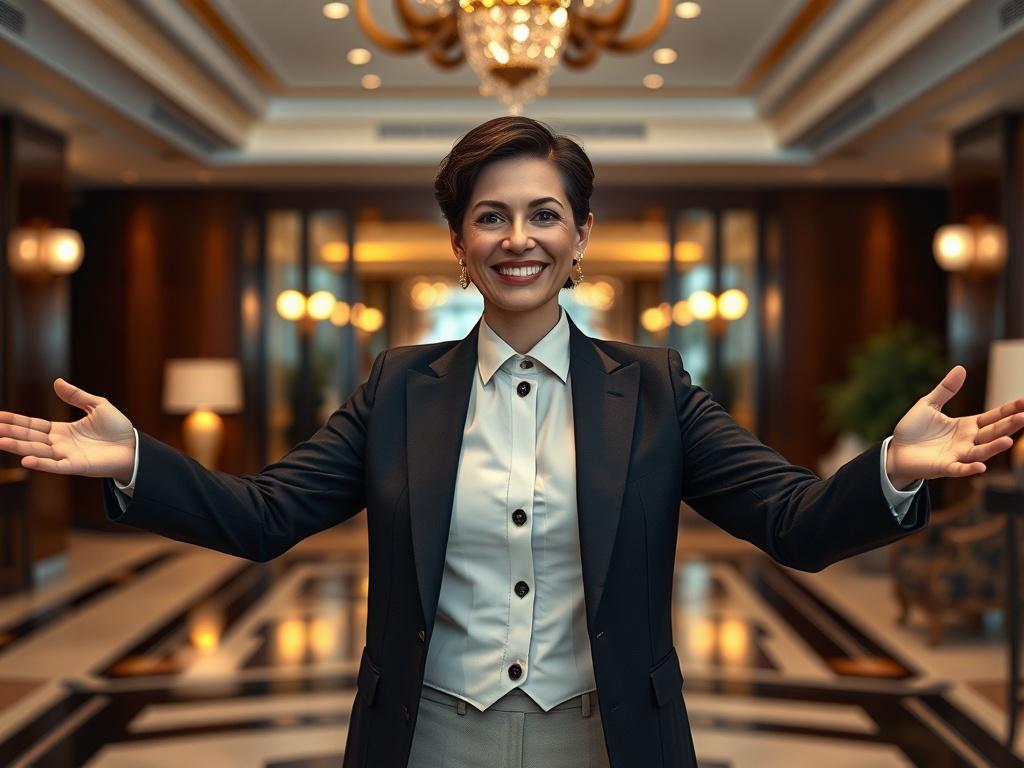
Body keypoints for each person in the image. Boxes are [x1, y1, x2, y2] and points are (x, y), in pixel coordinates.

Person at [1, 116, 1023, 768]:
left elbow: (790, 522)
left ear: (582, 234)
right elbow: (267, 515)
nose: (517, 237)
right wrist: (135, 459)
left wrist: (890, 470)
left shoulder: (657, 387)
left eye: (544, 213)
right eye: (490, 216)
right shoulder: (398, 385)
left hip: (609, 735)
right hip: (426, 735)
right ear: (459, 244)